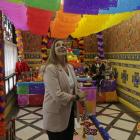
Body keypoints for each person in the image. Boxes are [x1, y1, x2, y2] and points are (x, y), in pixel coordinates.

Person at [43, 39, 88, 140]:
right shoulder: (50, 69)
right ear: (53, 51)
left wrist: (84, 106)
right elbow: (57, 95)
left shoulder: (70, 67)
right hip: (55, 114)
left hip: (68, 112)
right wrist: (77, 97)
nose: (62, 46)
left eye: (63, 45)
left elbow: (76, 87)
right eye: (58, 45)